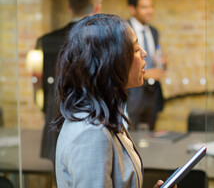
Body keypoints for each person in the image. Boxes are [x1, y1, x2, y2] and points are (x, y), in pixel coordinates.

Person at [52, 14, 171, 188]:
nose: (144, 54)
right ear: (112, 60)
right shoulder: (91, 132)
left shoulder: (105, 114)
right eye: (137, 49)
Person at [35, 0, 103, 163]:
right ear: (97, 8)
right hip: (90, 122)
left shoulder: (46, 40)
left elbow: (40, 84)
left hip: (54, 116)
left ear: (69, 6)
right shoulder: (101, 42)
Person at [126, 0, 165, 130]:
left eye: (151, 6)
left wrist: (161, 63)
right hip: (132, 96)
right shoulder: (123, 29)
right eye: (144, 7)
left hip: (152, 95)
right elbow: (120, 63)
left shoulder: (154, 32)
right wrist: (146, 73)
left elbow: (152, 58)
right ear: (132, 9)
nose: (150, 11)